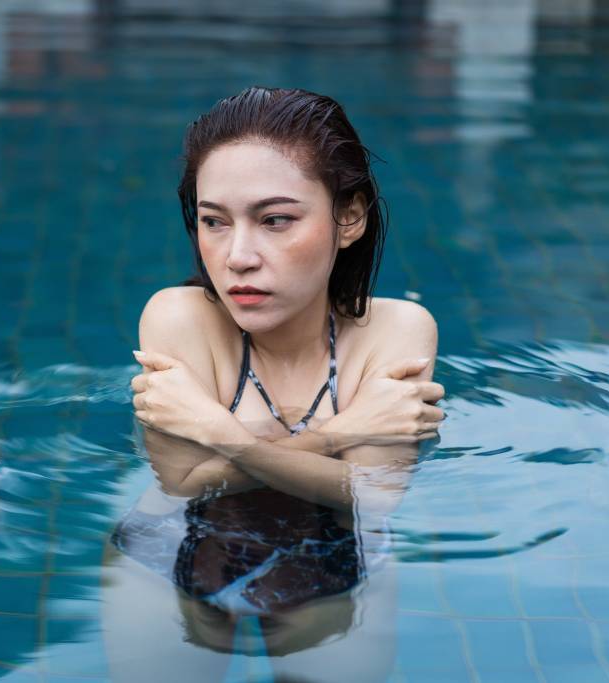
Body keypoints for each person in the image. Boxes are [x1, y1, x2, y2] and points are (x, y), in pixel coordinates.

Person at [101, 86, 445, 683]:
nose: (237, 256)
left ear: (350, 217)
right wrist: (346, 431)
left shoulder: (396, 331)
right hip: (170, 553)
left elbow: (372, 496)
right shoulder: (179, 317)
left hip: (332, 566)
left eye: (275, 220)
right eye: (214, 221)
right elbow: (180, 483)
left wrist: (218, 434)